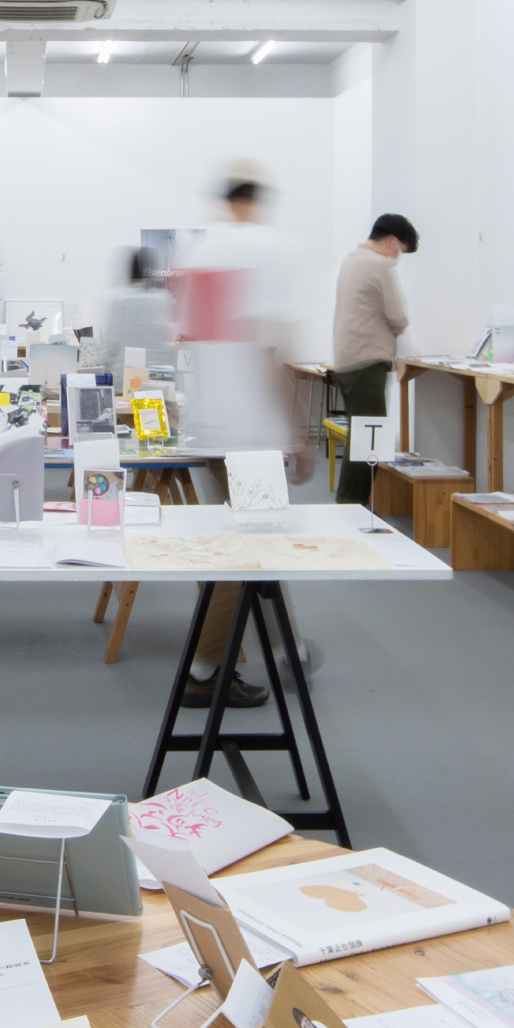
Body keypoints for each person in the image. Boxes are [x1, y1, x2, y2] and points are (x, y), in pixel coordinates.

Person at [174, 169, 315, 709]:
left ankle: (289, 652)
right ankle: (203, 670)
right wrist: (297, 431)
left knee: (254, 542)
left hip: (208, 425)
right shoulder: (271, 249)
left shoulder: (198, 251)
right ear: (255, 202)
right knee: (247, 551)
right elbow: (274, 351)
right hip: (251, 432)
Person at [329, 214, 417, 503]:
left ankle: (351, 504)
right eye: (400, 250)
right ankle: (350, 506)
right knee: (370, 441)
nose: (398, 257)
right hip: (367, 362)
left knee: (362, 436)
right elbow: (397, 315)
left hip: (348, 361)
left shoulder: (352, 260)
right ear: (391, 241)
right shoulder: (378, 265)